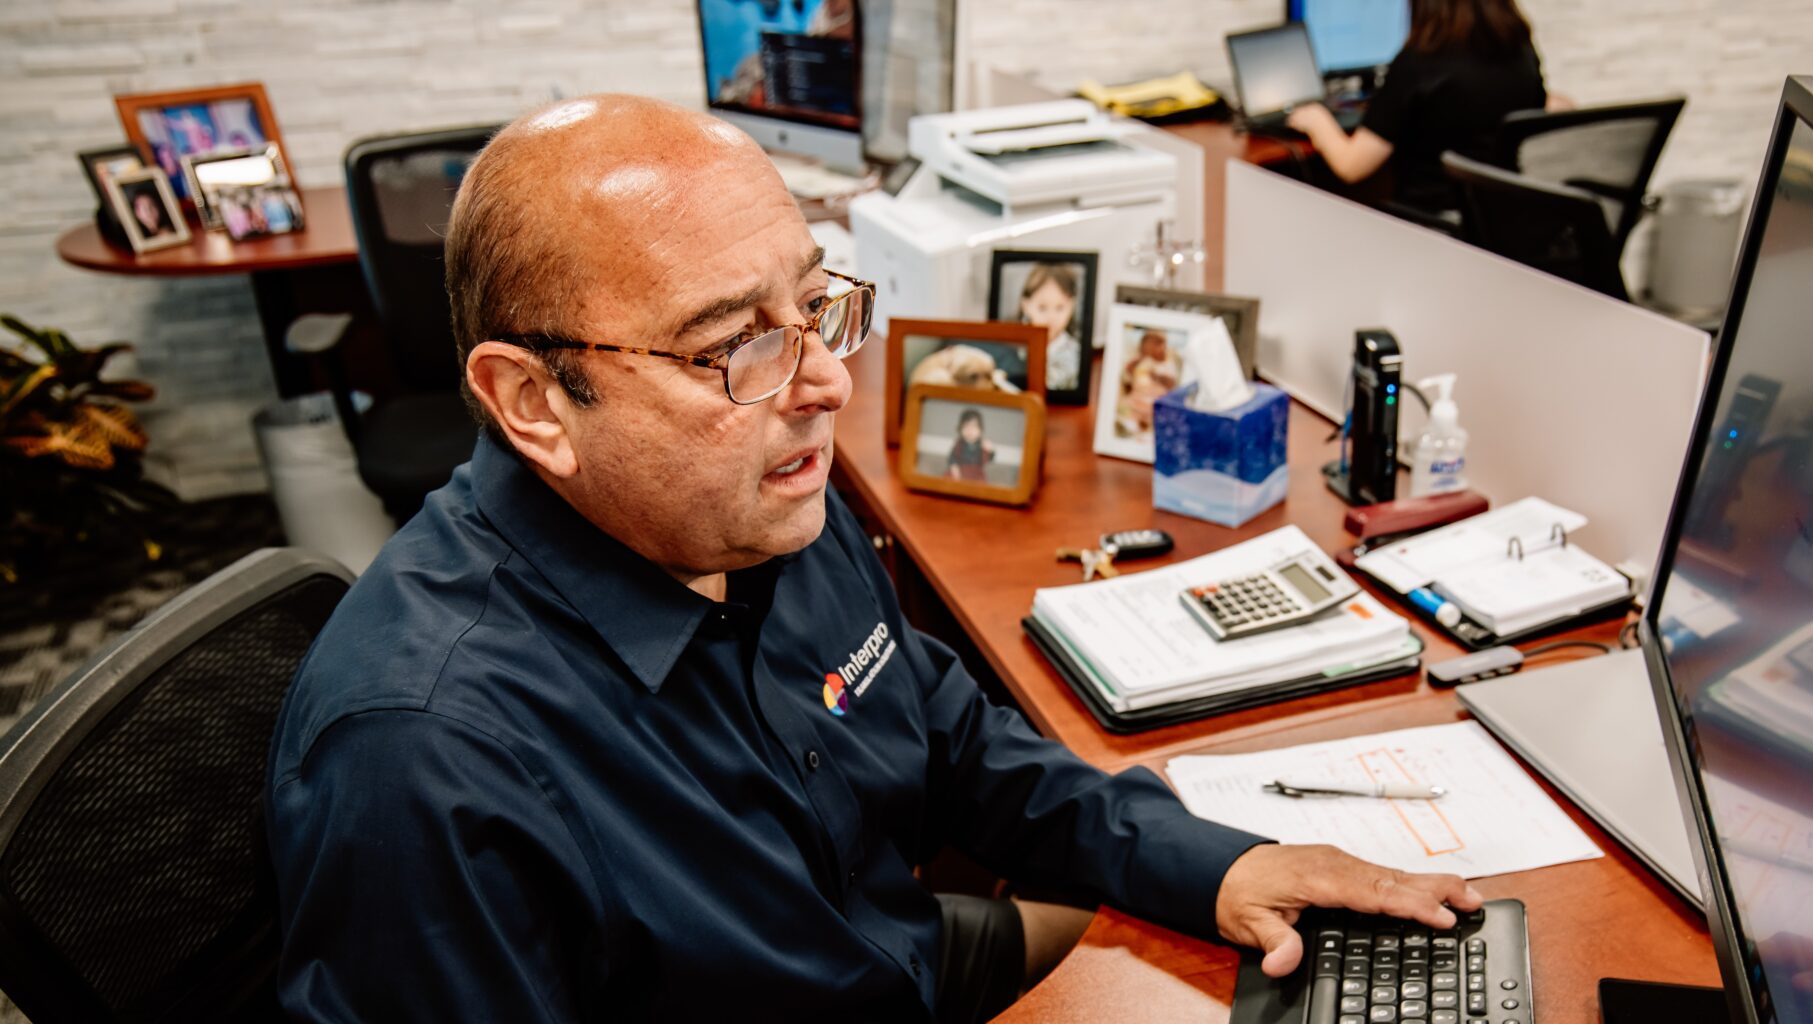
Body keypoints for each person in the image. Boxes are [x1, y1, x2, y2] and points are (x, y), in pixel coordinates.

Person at [265, 94, 1482, 1023]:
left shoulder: (758, 502)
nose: (825, 383)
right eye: (733, 345)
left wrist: (1221, 865)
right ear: (534, 402)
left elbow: (956, 742)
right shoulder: (421, 761)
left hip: (890, 958)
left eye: (813, 307)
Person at [1286, 0, 1563, 214]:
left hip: (1435, 224)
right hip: (1502, 223)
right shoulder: (1520, 48)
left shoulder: (1419, 61)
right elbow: (1540, 106)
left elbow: (1351, 166)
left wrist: (1317, 120)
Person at [1016, 263, 1082, 392]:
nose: (1051, 317)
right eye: (1042, 308)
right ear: (1026, 306)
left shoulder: (1074, 351)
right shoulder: (1015, 343)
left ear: (1071, 306)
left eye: (1060, 308)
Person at [1117, 329, 1182, 437]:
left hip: (1155, 402)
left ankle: (1148, 428)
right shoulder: (1140, 360)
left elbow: (1171, 384)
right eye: (1147, 346)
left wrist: (1157, 376)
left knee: (1160, 416)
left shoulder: (1167, 363)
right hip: (1137, 399)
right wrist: (1138, 360)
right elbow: (1128, 371)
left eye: (1158, 344)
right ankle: (1133, 425)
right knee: (1128, 412)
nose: (1151, 350)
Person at [945, 408, 995, 482]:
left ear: (980, 430)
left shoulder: (982, 444)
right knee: (948, 477)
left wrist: (990, 450)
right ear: (960, 429)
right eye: (966, 426)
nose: (970, 430)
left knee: (981, 483)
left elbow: (989, 459)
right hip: (961, 469)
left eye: (974, 426)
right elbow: (952, 457)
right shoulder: (959, 443)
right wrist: (954, 467)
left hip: (976, 472)